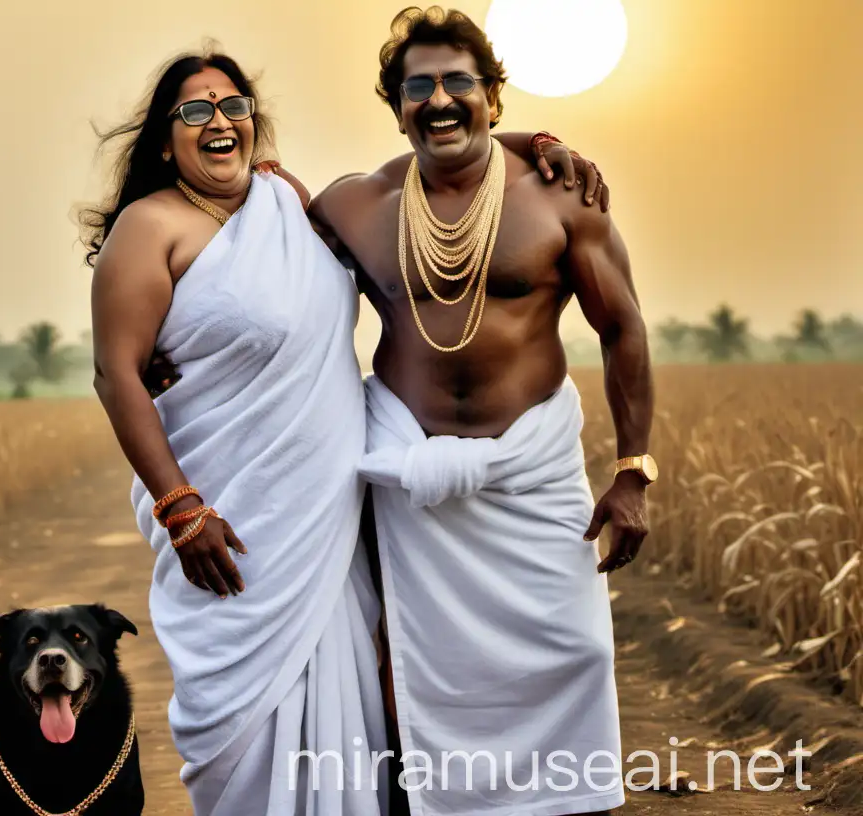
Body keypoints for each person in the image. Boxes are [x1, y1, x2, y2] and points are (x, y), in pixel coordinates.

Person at [86, 42, 613, 814]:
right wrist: (180, 507)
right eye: (195, 111)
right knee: (244, 726)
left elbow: (427, 162)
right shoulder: (149, 227)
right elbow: (116, 374)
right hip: (230, 522)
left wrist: (529, 144)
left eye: (234, 106)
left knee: (370, 714)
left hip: (333, 518)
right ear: (166, 139)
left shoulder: (285, 200)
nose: (219, 122)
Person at [307, 6, 654, 816]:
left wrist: (634, 469)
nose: (438, 100)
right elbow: (256, 259)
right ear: (395, 106)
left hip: (533, 476)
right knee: (418, 674)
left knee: (574, 654)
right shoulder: (356, 205)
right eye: (417, 86)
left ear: (493, 97)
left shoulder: (562, 195)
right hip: (414, 479)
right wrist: (161, 338)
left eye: (458, 83)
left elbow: (624, 327)